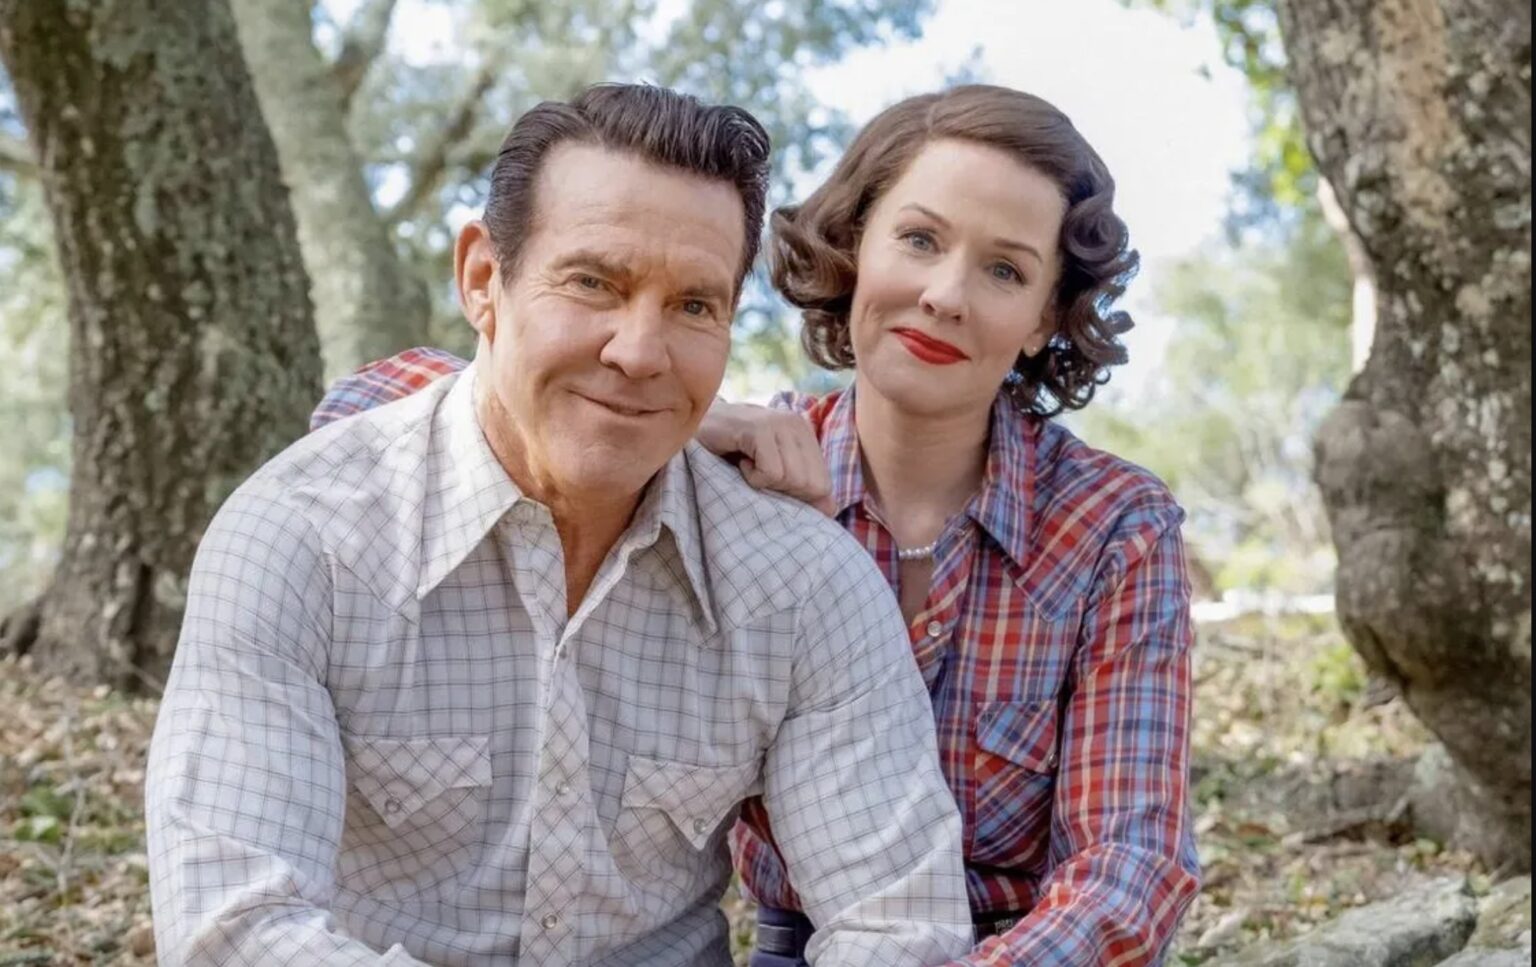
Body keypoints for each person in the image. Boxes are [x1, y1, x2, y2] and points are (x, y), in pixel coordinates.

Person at [316, 84, 1202, 965]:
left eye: (1005, 270)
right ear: (855, 246)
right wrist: (666, 417)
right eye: (920, 240)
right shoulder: (736, 474)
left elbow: (1131, 866)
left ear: (1045, 315)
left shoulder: (1112, 528)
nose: (945, 294)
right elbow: (360, 409)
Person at [145, 83, 973, 967]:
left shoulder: (802, 587)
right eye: (592, 283)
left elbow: (900, 927)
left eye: (694, 305)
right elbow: (236, 927)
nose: (639, 352)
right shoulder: (301, 542)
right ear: (482, 279)